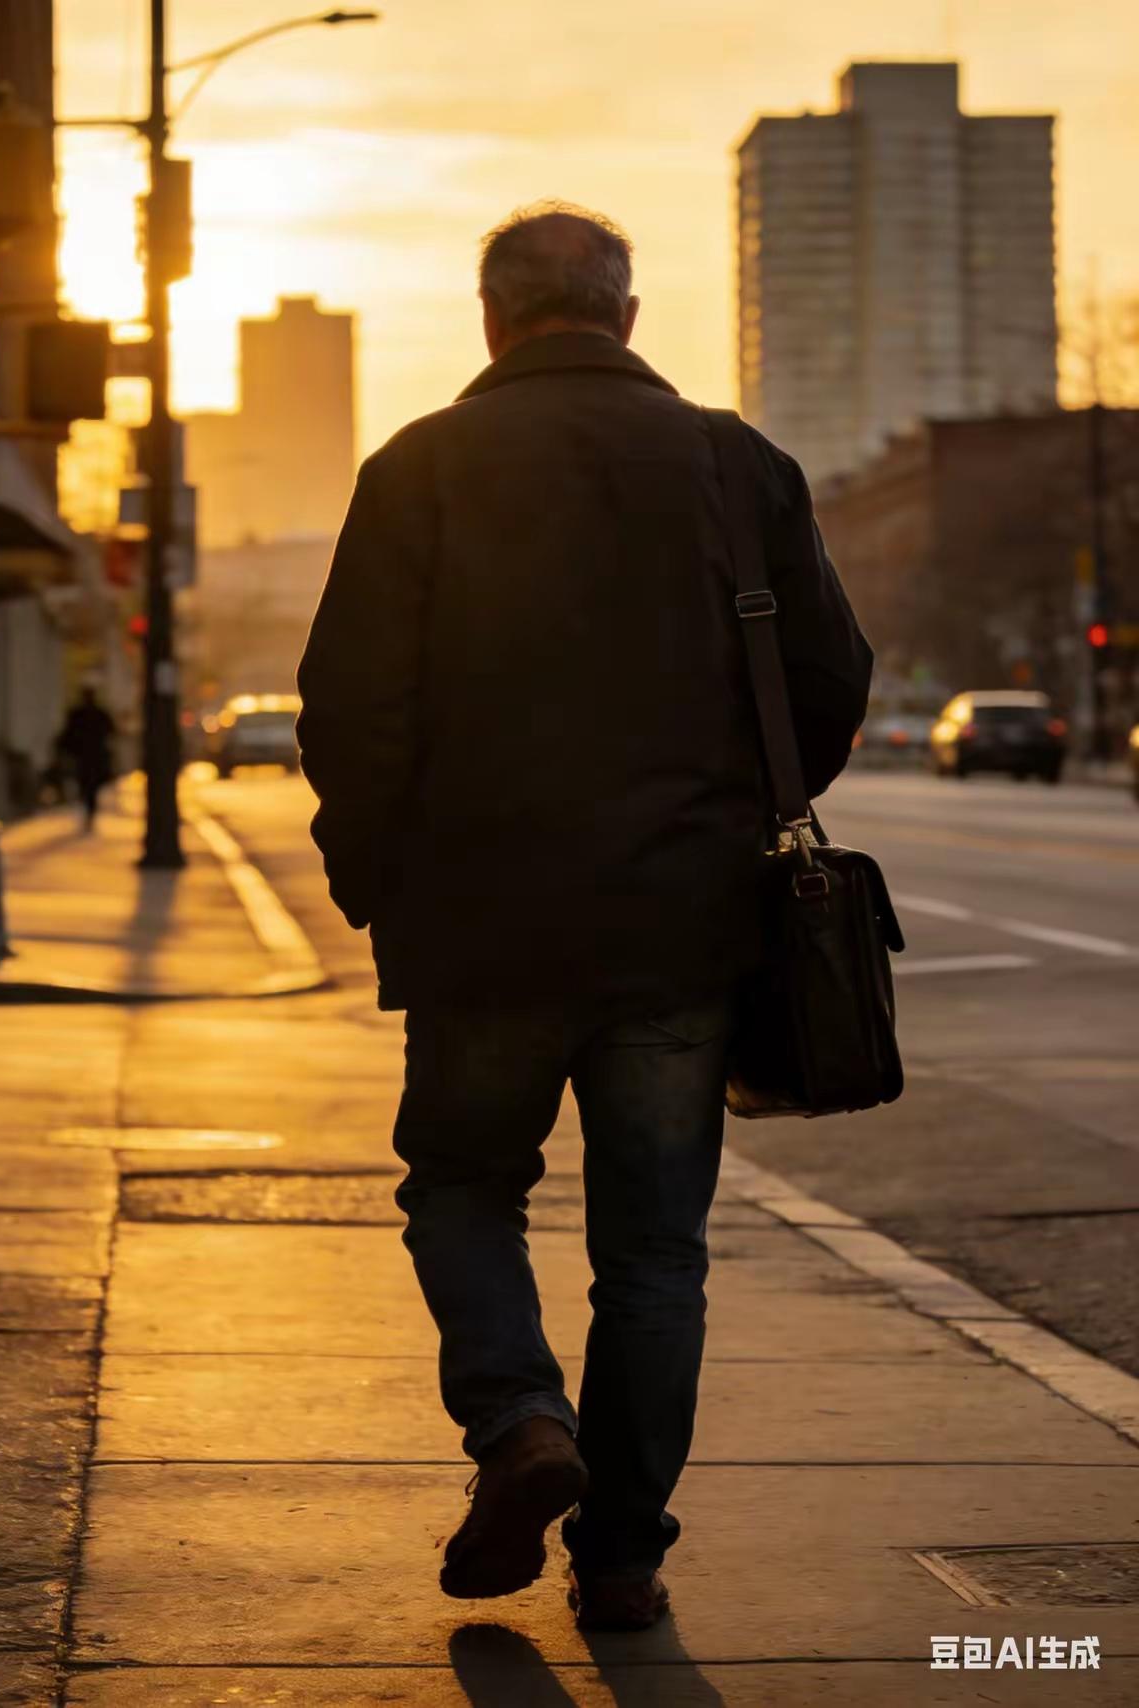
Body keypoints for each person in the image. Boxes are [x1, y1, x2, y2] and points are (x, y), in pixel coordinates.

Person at [296, 203, 872, 1632]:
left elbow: (349, 708)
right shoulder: (735, 464)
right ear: (624, 315)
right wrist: (738, 816)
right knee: (653, 1253)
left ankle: (518, 1422)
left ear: (492, 320)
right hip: (682, 928)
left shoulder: (417, 468)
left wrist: (377, 881)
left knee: (460, 1186)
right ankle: (620, 1559)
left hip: (478, 921)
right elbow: (830, 677)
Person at [56, 685, 116, 831]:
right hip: (88, 758)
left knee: (89, 787)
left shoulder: (85, 714)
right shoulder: (90, 714)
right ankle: (89, 811)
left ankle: (90, 811)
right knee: (88, 787)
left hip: (88, 758)